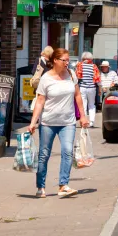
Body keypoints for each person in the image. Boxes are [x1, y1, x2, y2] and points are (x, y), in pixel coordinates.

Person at [28, 48, 89, 198]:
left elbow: (78, 96)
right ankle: (40, 187)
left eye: (68, 60)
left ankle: (63, 185)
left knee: (67, 151)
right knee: (44, 154)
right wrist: (33, 122)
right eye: (64, 60)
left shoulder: (71, 74)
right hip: (48, 122)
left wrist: (83, 116)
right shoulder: (46, 78)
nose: (67, 63)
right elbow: (40, 101)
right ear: (55, 60)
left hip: (67, 122)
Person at [75, 52, 100, 128]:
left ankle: (84, 121)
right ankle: (91, 122)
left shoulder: (80, 65)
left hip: (82, 87)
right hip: (92, 88)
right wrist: (100, 88)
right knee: (92, 105)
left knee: (83, 105)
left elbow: (77, 76)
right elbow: (97, 78)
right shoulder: (94, 66)